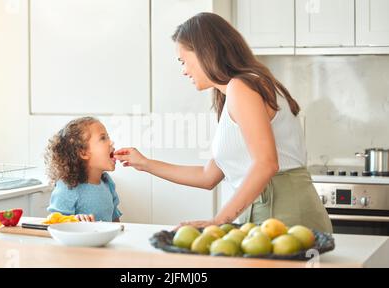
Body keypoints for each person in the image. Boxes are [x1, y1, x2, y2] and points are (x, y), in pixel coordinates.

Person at [114, 12, 332, 232]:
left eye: (183, 61)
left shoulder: (242, 87)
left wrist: (219, 220)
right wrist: (144, 163)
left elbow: (266, 163)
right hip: (272, 209)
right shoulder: (238, 91)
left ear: (204, 52)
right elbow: (208, 177)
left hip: (283, 211)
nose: (183, 71)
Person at [45, 116, 122, 222]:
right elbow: (54, 221)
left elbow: (115, 220)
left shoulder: (107, 182)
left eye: (108, 137)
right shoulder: (69, 187)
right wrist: (73, 219)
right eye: (103, 138)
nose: (111, 142)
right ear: (83, 152)